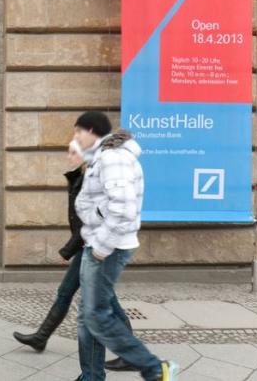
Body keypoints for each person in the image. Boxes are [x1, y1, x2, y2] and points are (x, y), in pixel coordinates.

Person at [72, 112, 181, 381]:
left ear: (91, 130)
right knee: (90, 315)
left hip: (107, 246)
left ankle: (155, 369)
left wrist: (101, 245)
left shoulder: (113, 158)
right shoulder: (105, 157)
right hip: (101, 243)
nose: (75, 138)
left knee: (94, 316)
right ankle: (91, 376)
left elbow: (123, 207)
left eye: (78, 132)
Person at [12, 142, 137, 372]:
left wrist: (68, 250)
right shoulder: (82, 177)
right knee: (69, 293)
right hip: (86, 246)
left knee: (104, 299)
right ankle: (41, 337)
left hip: (94, 246)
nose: (69, 156)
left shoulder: (96, 180)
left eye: (75, 153)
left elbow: (92, 221)